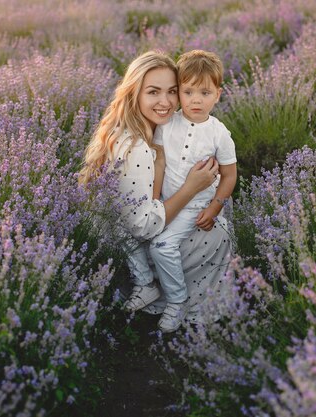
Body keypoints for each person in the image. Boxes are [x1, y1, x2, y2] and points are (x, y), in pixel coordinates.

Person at [79, 50, 232, 332]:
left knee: (215, 211)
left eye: (172, 91)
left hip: (130, 233)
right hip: (137, 241)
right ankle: (177, 301)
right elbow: (143, 227)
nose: (166, 103)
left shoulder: (151, 129)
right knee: (215, 232)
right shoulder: (136, 146)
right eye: (153, 92)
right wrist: (190, 188)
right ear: (134, 93)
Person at [149, 50, 237, 332]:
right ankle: (147, 289)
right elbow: (159, 163)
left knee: (161, 246)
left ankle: (177, 301)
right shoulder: (168, 124)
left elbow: (229, 175)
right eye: (187, 92)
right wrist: (154, 199)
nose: (196, 100)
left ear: (218, 94)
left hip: (195, 206)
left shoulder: (219, 133)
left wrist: (215, 207)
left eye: (204, 92)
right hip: (167, 201)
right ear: (178, 93)